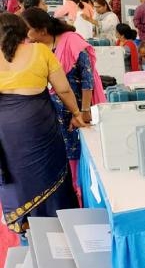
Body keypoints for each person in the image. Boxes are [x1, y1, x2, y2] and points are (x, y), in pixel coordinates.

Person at [0, 13, 87, 234]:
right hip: (39, 124)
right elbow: (64, 89)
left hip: (6, 130)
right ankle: (59, 223)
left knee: (15, 172)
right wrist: (77, 113)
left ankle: (25, 223)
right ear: (23, 31)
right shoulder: (40, 51)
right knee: (50, 170)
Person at [22, 7, 107, 198]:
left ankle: (79, 192)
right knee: (59, 154)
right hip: (53, 112)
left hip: (77, 107)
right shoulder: (35, 48)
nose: (25, 35)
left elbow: (87, 78)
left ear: (42, 29)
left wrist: (83, 111)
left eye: (27, 29)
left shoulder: (72, 42)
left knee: (78, 152)